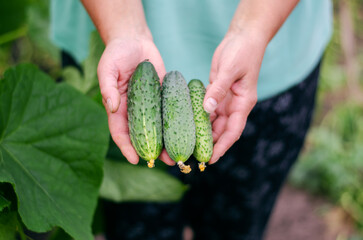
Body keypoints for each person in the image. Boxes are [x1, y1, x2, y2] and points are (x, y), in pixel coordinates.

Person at [51, 0, 332, 239]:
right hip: (113, 43)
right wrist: (123, 29)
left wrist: (253, 30)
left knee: (237, 227)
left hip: (265, 58)